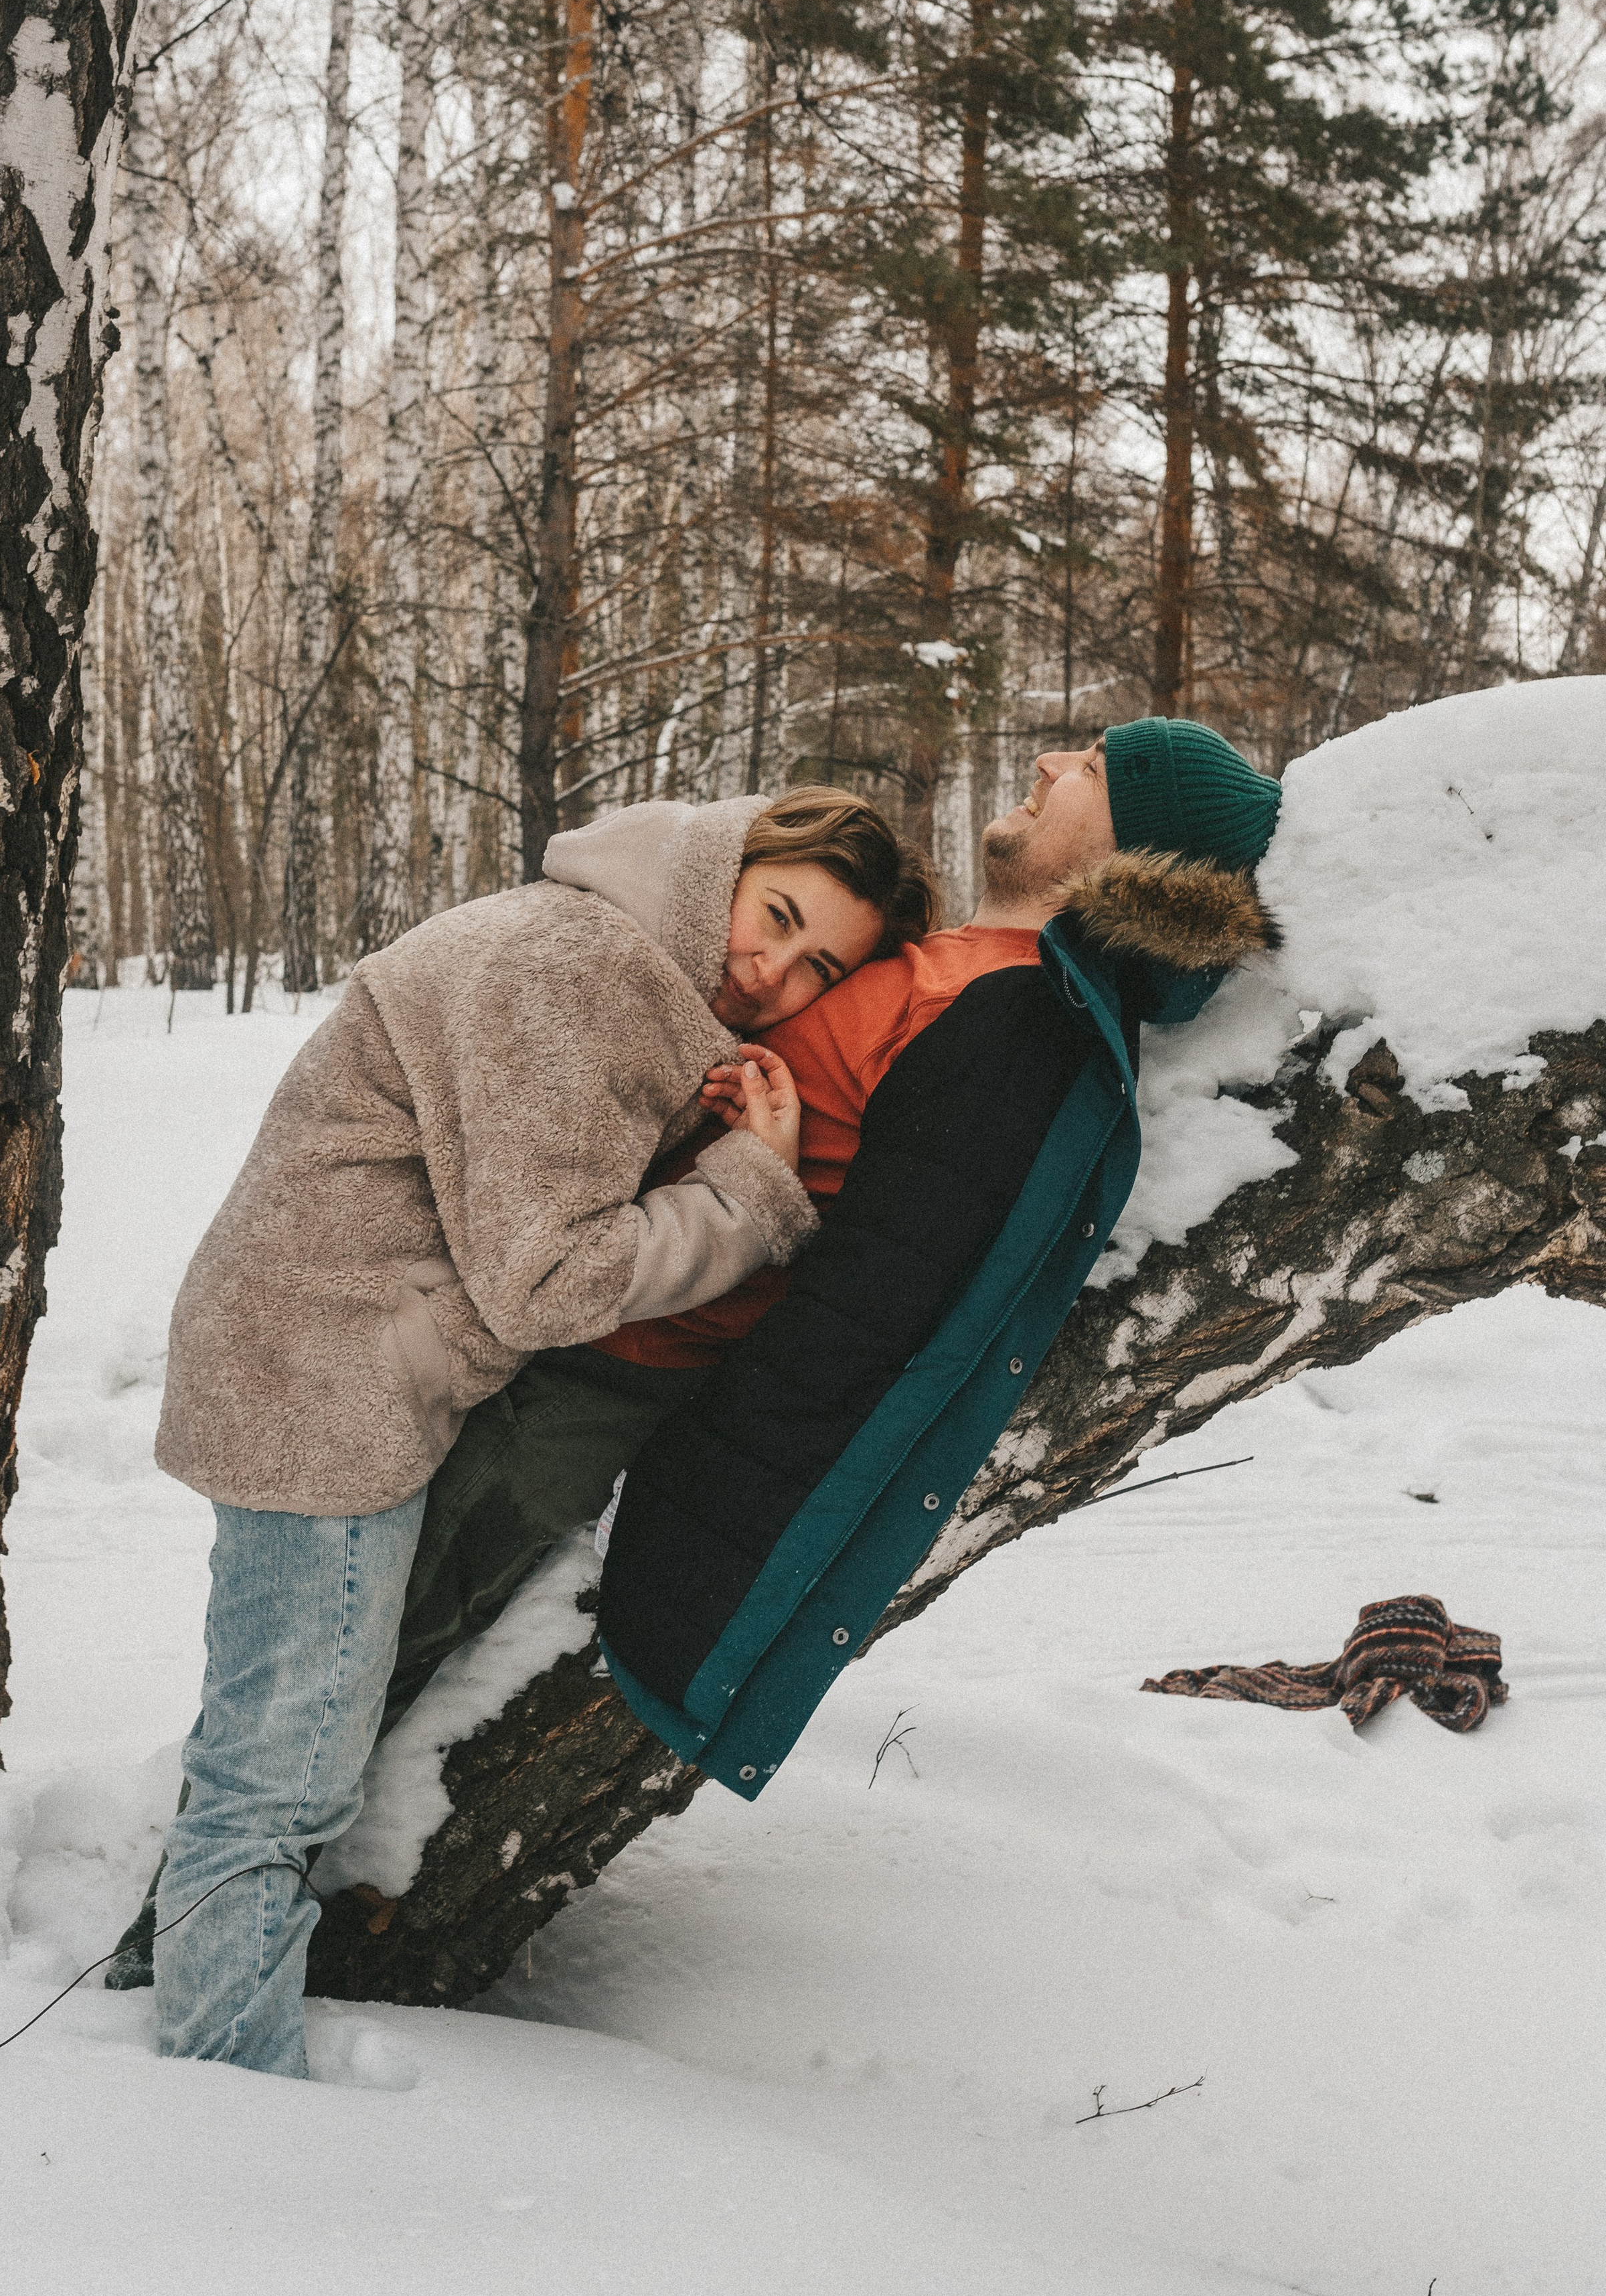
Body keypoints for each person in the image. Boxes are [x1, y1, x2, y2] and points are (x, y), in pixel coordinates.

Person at [147, 785, 936, 2075]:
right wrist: (753, 1191)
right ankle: (218, 2088)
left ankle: (178, 2023)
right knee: (276, 1780)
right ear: (733, 861)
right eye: (778, 915)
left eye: (817, 969)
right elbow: (549, 1279)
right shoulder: (582, 970)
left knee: (273, 1753)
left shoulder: (607, 948)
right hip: (325, 1384)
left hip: (324, 1356)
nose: (773, 972)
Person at [378, 718, 1285, 1786]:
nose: (1047, 762)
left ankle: (214, 1924)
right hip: (532, 1287)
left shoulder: (1020, 1019)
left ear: (1143, 850)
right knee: (330, 1627)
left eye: (1089, 771)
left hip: (603, 1367)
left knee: (365, 1660)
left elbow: (880, 1306)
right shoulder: (953, 961)